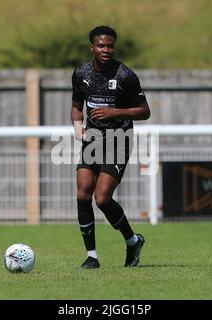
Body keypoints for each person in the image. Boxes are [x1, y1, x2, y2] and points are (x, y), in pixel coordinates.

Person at [71, 26, 151, 269]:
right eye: (101, 45)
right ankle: (92, 257)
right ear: (92, 47)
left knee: (102, 199)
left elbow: (145, 111)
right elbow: (77, 104)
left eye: (110, 46)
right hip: (93, 138)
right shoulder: (81, 72)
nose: (106, 50)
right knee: (83, 193)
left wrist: (114, 112)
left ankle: (132, 240)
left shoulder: (125, 75)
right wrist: (77, 126)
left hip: (118, 138)